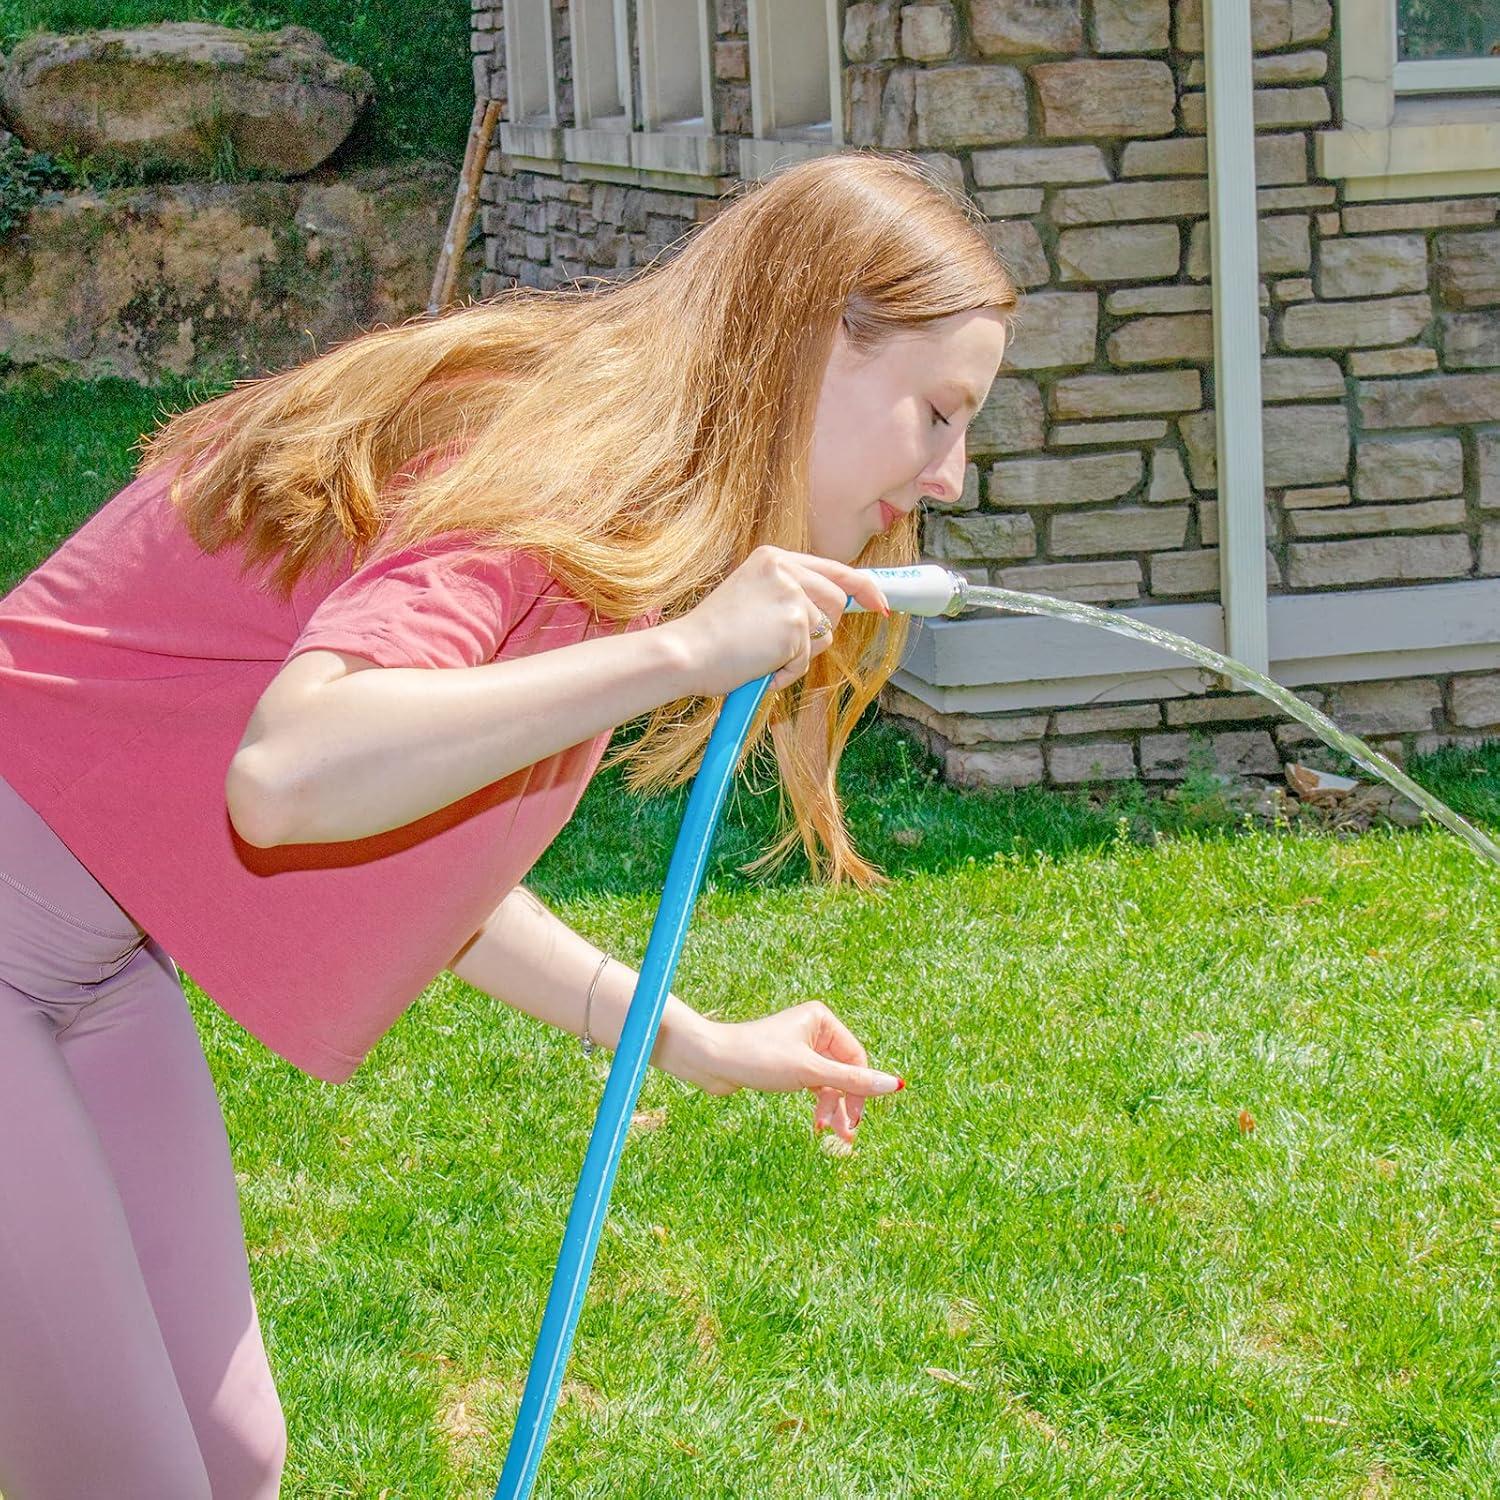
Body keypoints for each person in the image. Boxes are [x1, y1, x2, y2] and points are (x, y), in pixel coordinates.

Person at [0, 149, 1014, 1497]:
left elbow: (422, 852)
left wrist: (682, 1037)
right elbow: (294, 774)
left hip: (92, 970)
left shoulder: (618, 493)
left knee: (231, 1456)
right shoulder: (540, 467)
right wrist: (681, 653)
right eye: (938, 413)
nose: (950, 476)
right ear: (819, 336)